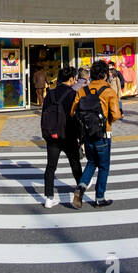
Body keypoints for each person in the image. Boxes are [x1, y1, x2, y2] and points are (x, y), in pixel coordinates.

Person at [69, 60, 121, 208]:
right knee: (104, 166)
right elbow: (116, 115)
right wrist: (107, 121)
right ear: (105, 75)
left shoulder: (82, 91)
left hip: (87, 134)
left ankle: (81, 187)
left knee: (91, 162)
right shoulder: (109, 91)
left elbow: (73, 111)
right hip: (103, 133)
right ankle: (99, 197)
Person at [39, 66, 83, 208]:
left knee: (51, 167)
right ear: (71, 79)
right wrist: (80, 138)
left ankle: (49, 198)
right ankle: (80, 190)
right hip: (69, 135)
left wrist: (46, 134)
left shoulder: (50, 94)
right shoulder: (73, 94)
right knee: (75, 164)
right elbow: (77, 117)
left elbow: (44, 114)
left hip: (52, 136)